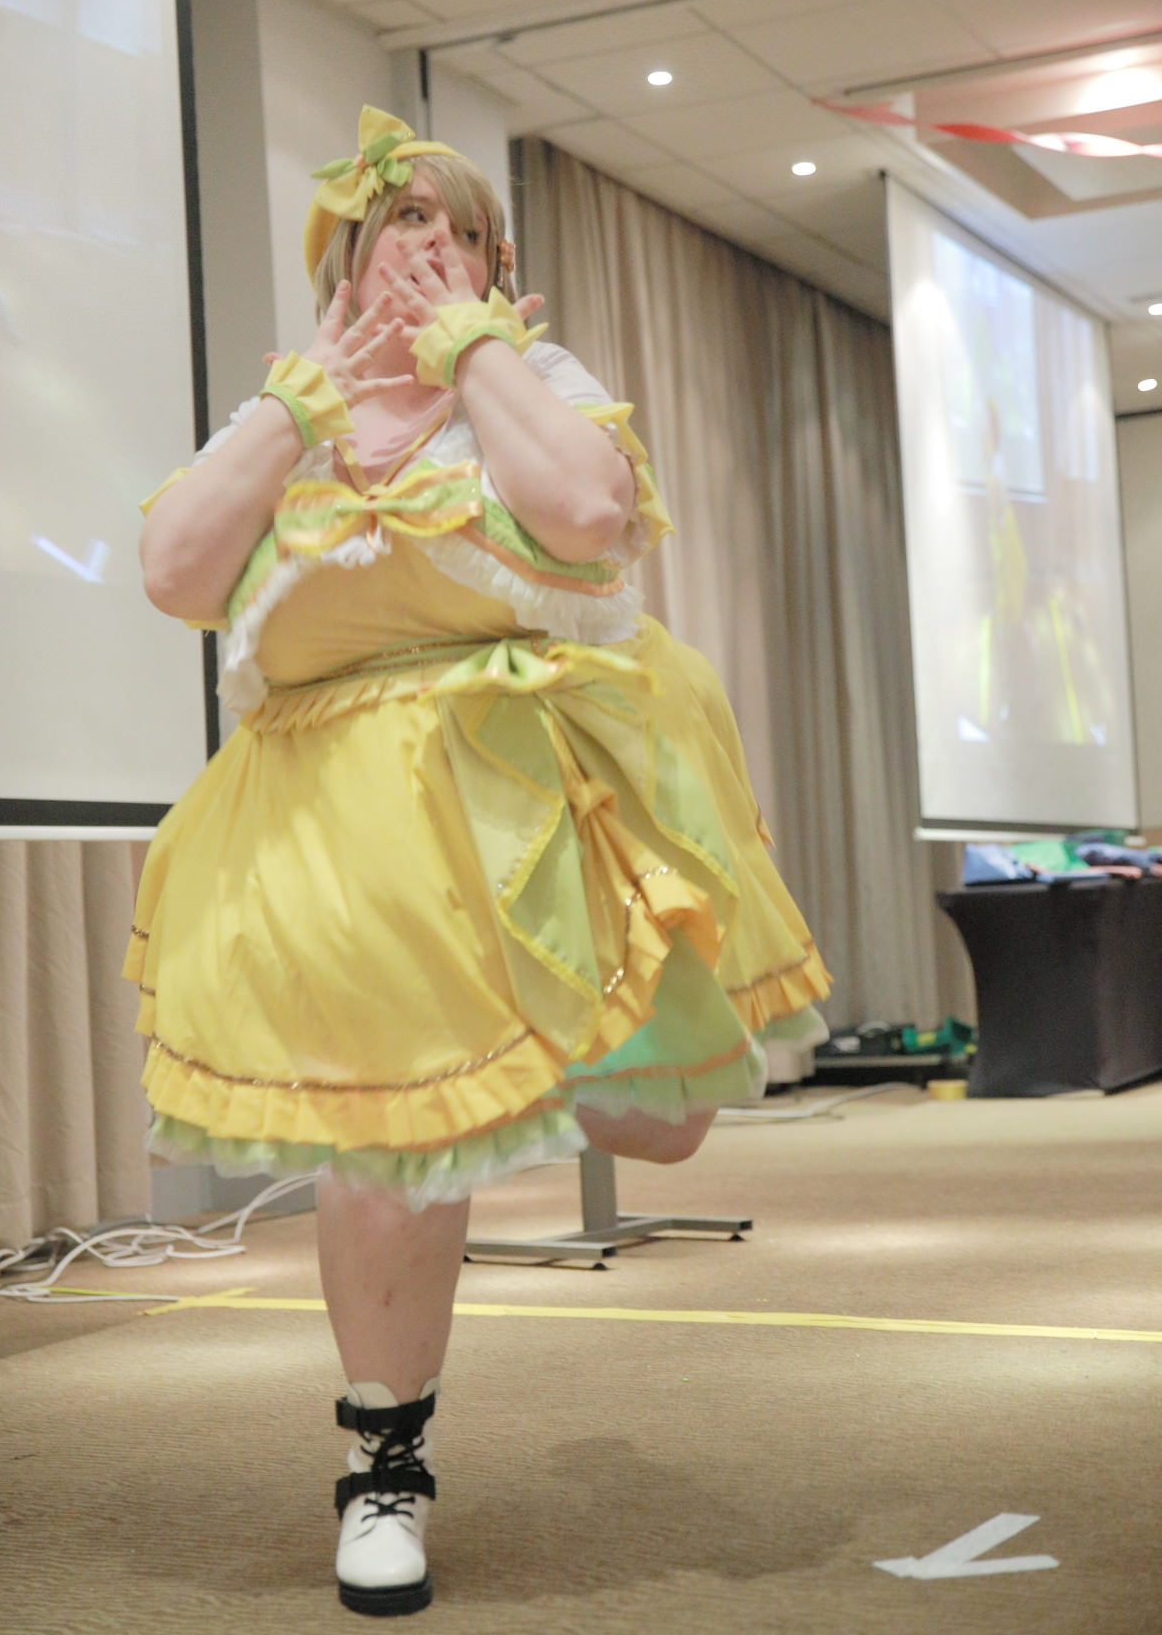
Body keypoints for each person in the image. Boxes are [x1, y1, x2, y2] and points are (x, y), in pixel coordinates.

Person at [126, 106, 829, 1619]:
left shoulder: (529, 378)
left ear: (496, 265)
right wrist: (295, 409)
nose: (430, 247)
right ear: (345, 256)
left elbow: (589, 515)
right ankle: (384, 1465)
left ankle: (521, 1075)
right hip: (340, 822)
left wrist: (476, 353)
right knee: (385, 1145)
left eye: (460, 231)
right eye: (403, 222)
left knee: (663, 1124)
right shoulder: (286, 411)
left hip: (534, 802)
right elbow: (176, 574)